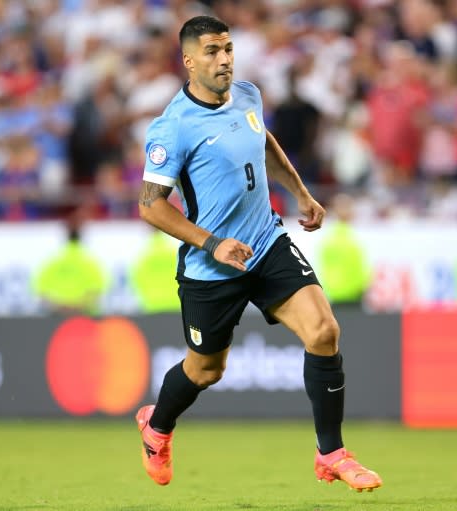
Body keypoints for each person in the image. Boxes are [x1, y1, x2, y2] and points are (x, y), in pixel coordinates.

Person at [134, 16, 382, 493]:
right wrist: (212, 242)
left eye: (227, 48)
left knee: (324, 330)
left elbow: (261, 139)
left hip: (265, 242)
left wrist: (301, 193)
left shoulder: (247, 94)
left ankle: (331, 453)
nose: (224, 58)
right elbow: (150, 207)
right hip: (212, 266)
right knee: (207, 369)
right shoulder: (173, 128)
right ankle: (157, 427)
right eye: (211, 51)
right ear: (189, 61)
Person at [33, 217, 108, 315]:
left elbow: (41, 291)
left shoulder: (53, 261)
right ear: (81, 238)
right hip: (84, 316)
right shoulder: (91, 263)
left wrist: (60, 307)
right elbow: (97, 292)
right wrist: (78, 307)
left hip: (57, 315)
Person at [316, 193, 371, 307]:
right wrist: (363, 285)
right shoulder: (352, 237)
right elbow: (360, 267)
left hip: (334, 294)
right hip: (353, 293)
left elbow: (323, 266)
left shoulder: (328, 238)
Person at [129, 229, 181, 313]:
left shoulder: (144, 255)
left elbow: (136, 278)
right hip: (174, 302)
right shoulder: (173, 253)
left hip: (152, 304)